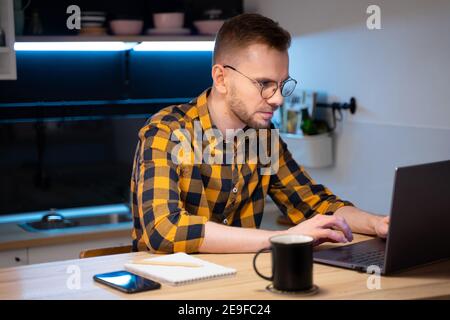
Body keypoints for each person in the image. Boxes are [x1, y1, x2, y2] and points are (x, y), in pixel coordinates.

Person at [130, 13, 389, 254]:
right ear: (221, 78)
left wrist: (377, 224)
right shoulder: (167, 131)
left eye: (281, 85)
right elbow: (164, 229)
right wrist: (280, 239)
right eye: (264, 84)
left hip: (240, 284)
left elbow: (316, 203)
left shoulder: (262, 138)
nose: (277, 99)